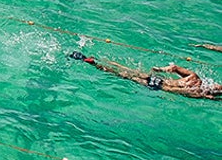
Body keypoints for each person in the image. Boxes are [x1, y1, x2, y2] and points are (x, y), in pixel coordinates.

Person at [68, 51, 222, 99]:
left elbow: (174, 67)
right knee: (121, 75)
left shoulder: (194, 77)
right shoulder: (199, 93)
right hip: (158, 86)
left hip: (157, 78)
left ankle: (95, 59)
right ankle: (93, 63)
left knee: (124, 68)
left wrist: (160, 69)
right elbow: (177, 91)